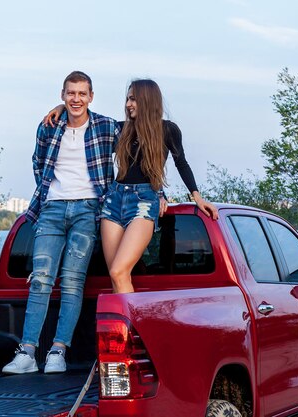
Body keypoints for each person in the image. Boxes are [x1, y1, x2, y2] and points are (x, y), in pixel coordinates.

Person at [44, 79, 218, 294]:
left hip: (144, 201)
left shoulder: (168, 130)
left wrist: (197, 198)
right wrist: (61, 107)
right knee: (117, 274)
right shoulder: (121, 129)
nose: (128, 104)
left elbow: (181, 162)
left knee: (119, 271)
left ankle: (130, 327)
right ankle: (124, 328)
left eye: (133, 99)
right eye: (128, 99)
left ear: (146, 100)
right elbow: (90, 119)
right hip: (114, 200)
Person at [2, 71, 121, 375]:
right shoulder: (48, 127)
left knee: (71, 281)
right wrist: (48, 190)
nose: (76, 99)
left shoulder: (107, 127)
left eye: (82, 94)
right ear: (63, 95)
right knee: (40, 278)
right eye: (71, 93)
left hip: (87, 209)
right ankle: (27, 352)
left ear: (91, 97)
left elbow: (137, 147)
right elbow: (38, 162)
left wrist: (156, 192)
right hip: (51, 208)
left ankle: (58, 351)